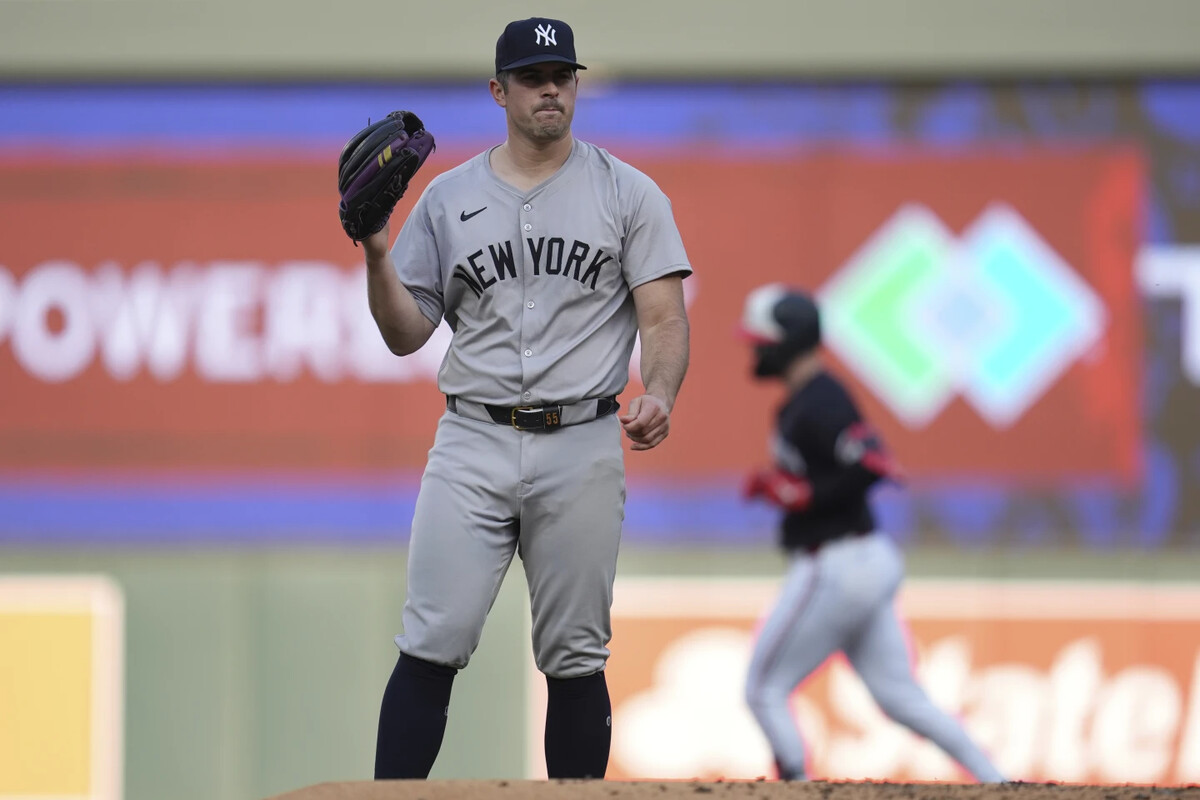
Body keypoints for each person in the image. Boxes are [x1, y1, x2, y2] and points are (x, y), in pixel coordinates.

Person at [360, 17, 692, 780]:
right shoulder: (447, 200)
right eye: (534, 77)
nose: (551, 88)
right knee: (431, 639)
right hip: (472, 441)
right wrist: (378, 256)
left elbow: (665, 316)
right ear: (498, 90)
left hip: (581, 439)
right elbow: (406, 333)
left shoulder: (628, 192)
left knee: (576, 651)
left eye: (563, 75)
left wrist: (662, 390)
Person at [737, 283, 1004, 783]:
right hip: (863, 560)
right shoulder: (803, 401)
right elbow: (846, 468)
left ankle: (795, 786)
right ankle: (998, 781)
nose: (754, 349)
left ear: (787, 340)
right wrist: (792, 487)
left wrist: (804, 493)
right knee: (901, 698)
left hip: (836, 563)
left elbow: (871, 463)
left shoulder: (821, 397)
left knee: (763, 689)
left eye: (761, 339)